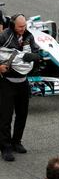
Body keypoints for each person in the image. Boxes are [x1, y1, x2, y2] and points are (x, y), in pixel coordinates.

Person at [0, 13, 40, 161]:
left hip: (23, 81)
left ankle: (16, 141)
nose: (23, 29)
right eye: (20, 27)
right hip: (7, 82)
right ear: (12, 25)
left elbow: (37, 53)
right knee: (5, 116)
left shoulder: (29, 36)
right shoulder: (4, 36)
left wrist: (34, 57)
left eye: (24, 26)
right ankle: (5, 147)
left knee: (22, 114)